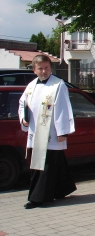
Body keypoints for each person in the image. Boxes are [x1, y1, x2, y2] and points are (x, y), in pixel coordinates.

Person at [18, 54, 76, 209]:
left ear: (51, 68)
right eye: (40, 69)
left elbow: (63, 108)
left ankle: (37, 198)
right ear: (34, 70)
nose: (44, 71)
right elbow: (23, 103)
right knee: (55, 162)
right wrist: (24, 118)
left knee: (44, 164)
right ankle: (63, 188)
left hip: (51, 133)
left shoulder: (58, 85)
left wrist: (62, 131)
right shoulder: (31, 86)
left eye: (47, 68)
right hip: (35, 130)